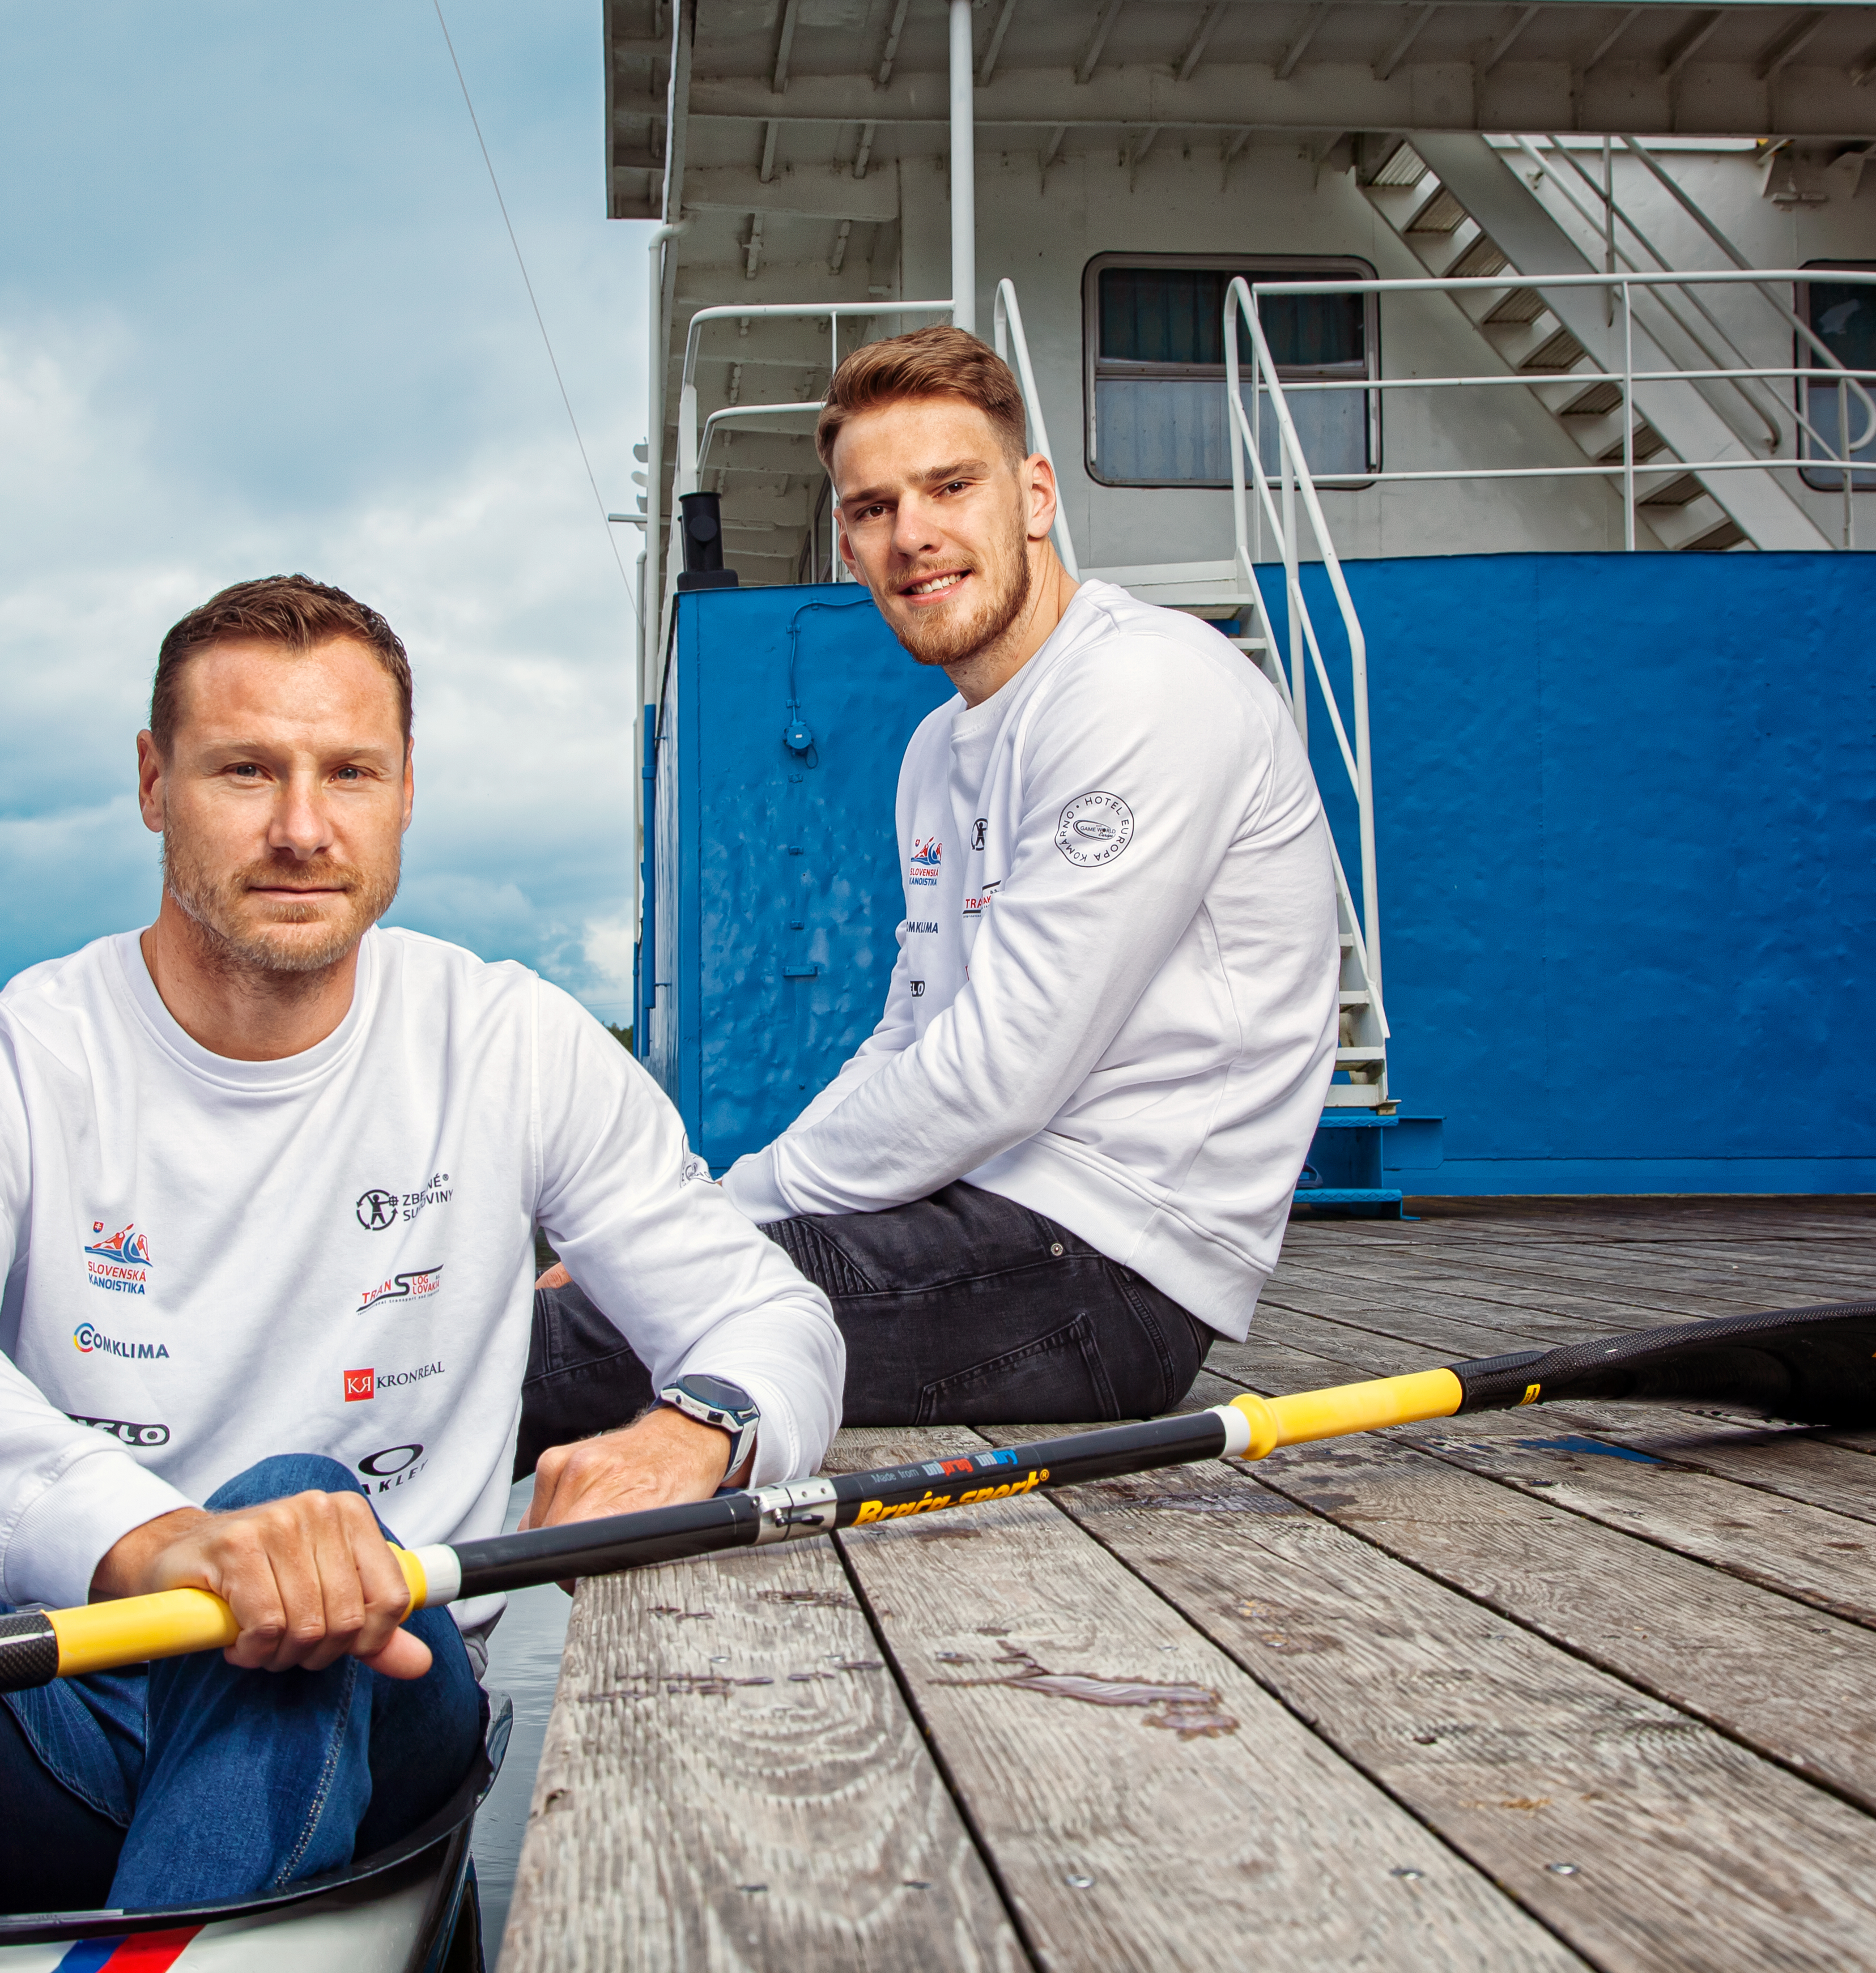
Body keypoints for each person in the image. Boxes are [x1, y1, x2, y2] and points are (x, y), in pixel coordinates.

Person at [0, 576, 843, 1921]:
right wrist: (165, 1545)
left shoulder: (510, 1045)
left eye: (349, 772)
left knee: (308, 1502)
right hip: (64, 1712)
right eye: (245, 770)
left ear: (407, 790)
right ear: (153, 782)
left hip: (382, 1709)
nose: (303, 828)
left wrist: (701, 1429)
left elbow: (775, 1323)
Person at [525, 325, 1335, 1452]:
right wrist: (707, 1213)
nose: (915, 535)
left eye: (951, 485)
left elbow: (1002, 1069)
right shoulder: (938, 751)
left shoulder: (1143, 689)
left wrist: (706, 1220)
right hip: (989, 1210)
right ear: (850, 547)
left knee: (582, 1336)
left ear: (1034, 496)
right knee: (594, 1298)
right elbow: (910, 1035)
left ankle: (263, 1558)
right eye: (872, 508)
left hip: (1114, 1269)